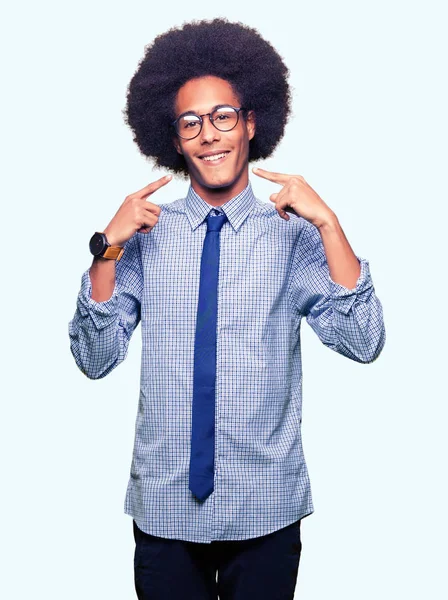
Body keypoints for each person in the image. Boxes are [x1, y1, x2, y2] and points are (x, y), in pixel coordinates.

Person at [68, 17, 386, 600]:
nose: (208, 134)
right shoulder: (142, 236)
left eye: (222, 117)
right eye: (191, 123)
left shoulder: (292, 236)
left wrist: (330, 224)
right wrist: (107, 247)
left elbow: (364, 339)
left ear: (250, 123)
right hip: (164, 511)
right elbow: (94, 357)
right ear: (173, 137)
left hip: (265, 506)